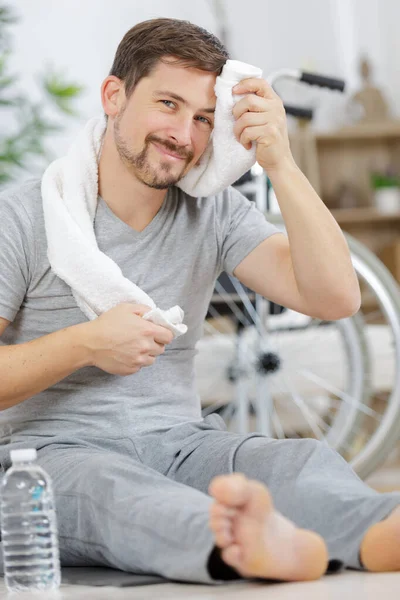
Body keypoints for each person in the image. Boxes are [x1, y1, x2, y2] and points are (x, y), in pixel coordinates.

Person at [0, 17, 399, 585]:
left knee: (293, 462)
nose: (184, 134)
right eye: (168, 103)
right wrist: (84, 343)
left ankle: (374, 529)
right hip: (61, 455)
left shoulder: (210, 212)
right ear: (114, 95)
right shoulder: (22, 218)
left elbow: (335, 297)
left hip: (186, 445)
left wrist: (280, 161)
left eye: (204, 118)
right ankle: (244, 540)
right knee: (120, 495)